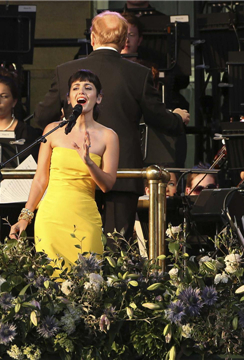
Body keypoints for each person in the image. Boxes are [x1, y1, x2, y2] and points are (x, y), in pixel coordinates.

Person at [35, 11, 189, 242]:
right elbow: (159, 119)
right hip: (120, 175)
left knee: (75, 243)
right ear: (124, 40)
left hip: (75, 174)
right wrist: (178, 118)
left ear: (93, 38)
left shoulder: (65, 71)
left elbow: (41, 117)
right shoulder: (139, 74)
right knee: (115, 252)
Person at [10, 70, 119, 270]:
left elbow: (107, 185)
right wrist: (25, 217)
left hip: (85, 215)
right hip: (51, 217)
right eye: (76, 88)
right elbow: (41, 179)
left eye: (88, 87)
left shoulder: (108, 136)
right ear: (69, 98)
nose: (82, 91)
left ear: (99, 97)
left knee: (88, 282)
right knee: (52, 282)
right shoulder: (53, 131)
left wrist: (89, 162)